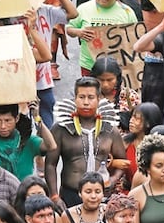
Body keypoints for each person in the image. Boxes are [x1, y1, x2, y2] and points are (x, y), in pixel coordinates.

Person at [46, 77, 127, 206]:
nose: (86, 102)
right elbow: (50, 164)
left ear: (98, 99)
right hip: (70, 194)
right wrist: (55, 196)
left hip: (102, 196)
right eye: (81, 97)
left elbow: (122, 162)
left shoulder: (110, 129)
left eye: (90, 97)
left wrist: (113, 179)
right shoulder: (61, 128)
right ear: (75, 99)